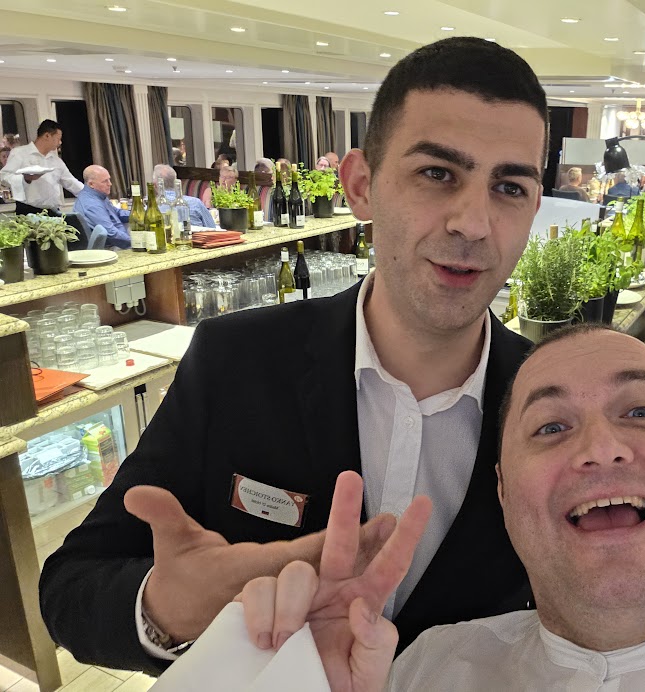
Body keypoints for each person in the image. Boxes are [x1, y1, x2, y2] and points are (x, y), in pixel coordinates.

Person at [39, 35, 548, 676]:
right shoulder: (235, 359)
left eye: (509, 187)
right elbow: (72, 587)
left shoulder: (551, 404)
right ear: (361, 185)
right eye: (437, 174)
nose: (472, 223)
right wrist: (169, 609)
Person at [236, 325, 645, 692]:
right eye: (550, 427)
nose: (600, 448)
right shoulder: (424, 671)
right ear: (503, 493)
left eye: (641, 411)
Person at [0, 119, 83, 215]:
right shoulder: (20, 153)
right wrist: (25, 179)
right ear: (47, 136)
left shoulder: (55, 160)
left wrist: (90, 193)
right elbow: (4, 176)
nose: (60, 142)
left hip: (53, 210)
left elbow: (71, 182)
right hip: (28, 210)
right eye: (58, 138)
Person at [72, 165, 131, 249]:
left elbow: (116, 212)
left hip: (118, 241)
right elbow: (112, 234)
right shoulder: (92, 204)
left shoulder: (98, 195)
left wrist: (140, 215)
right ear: (91, 184)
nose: (110, 184)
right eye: (105, 181)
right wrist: (135, 243)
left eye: (109, 179)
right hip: (109, 248)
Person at [151, 165, 216, 229]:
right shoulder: (196, 203)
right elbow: (212, 228)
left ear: (154, 185)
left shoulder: (151, 206)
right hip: (195, 235)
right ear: (177, 182)